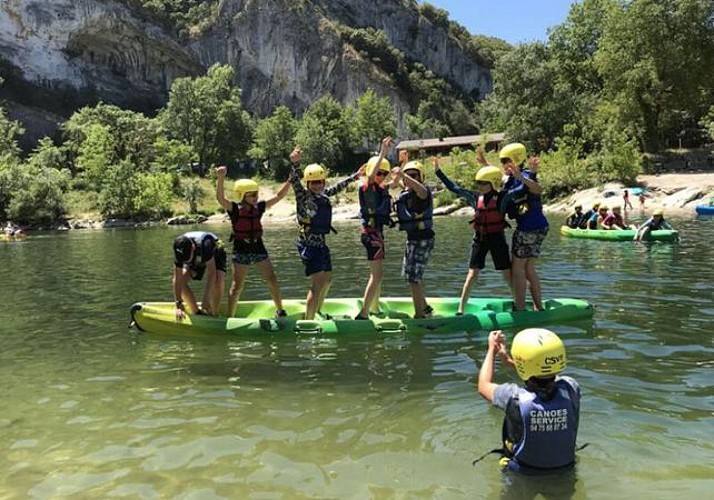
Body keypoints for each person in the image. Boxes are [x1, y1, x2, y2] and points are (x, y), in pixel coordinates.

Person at [477, 328, 581, 474]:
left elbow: (483, 386)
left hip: (523, 474)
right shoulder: (572, 387)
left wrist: (491, 350)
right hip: (565, 470)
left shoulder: (512, 396)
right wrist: (509, 361)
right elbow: (547, 376)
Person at [288, 146, 364, 320]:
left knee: (328, 279)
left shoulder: (323, 195)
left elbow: (336, 188)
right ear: (308, 183)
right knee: (317, 283)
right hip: (308, 246)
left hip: (321, 245)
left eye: (320, 182)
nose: (317, 185)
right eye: (314, 183)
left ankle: (318, 311)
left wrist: (355, 176)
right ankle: (309, 320)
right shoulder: (302, 196)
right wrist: (295, 163)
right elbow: (293, 180)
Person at [434, 159, 511, 316]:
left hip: (497, 238)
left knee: (507, 274)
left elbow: (520, 189)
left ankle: (520, 302)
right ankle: (461, 309)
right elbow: (454, 188)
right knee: (472, 274)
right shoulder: (475, 197)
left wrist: (524, 173)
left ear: (492, 183)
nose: (479, 186)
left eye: (483, 183)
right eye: (478, 183)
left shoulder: (503, 197)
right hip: (480, 239)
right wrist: (438, 172)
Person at [215, 166, 290, 318]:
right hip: (241, 249)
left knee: (272, 279)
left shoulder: (259, 207)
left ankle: (280, 311)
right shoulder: (234, 208)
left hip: (258, 247)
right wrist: (220, 178)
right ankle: (231, 316)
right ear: (242, 195)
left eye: (256, 194)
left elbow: (278, 196)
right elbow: (220, 199)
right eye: (251, 195)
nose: (255, 197)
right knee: (237, 286)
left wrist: (289, 182)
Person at [500, 143, 548, 312]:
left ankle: (520, 308)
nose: (505, 165)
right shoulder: (510, 180)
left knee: (518, 268)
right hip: (539, 227)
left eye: (507, 161)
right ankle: (538, 307)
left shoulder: (526, 175)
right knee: (528, 268)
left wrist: (521, 177)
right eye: (503, 162)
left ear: (516, 159)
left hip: (529, 228)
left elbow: (538, 189)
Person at [355, 137, 395, 320]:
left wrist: (402, 167)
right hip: (371, 235)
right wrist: (383, 152)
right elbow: (370, 177)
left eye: (384, 173)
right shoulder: (368, 187)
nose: (382, 176)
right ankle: (364, 313)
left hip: (376, 234)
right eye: (379, 173)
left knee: (378, 274)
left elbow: (394, 182)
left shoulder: (380, 189)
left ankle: (375, 307)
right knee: (377, 275)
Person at [393, 160, 435, 318]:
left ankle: (419, 315)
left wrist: (403, 173)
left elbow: (419, 189)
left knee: (414, 278)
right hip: (412, 239)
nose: (409, 178)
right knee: (410, 275)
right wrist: (401, 168)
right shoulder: (407, 193)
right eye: (408, 176)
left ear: (421, 177)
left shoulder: (424, 192)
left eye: (414, 175)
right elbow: (396, 185)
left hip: (423, 239)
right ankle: (424, 307)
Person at [172, 231, 227, 319]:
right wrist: (178, 304)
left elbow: (211, 274)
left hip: (216, 250)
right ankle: (197, 313)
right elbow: (177, 279)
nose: (185, 262)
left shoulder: (206, 246)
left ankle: (214, 314)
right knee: (181, 282)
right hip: (196, 257)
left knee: (219, 279)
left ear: (193, 247)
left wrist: (206, 299)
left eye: (187, 258)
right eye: (184, 260)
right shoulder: (179, 250)